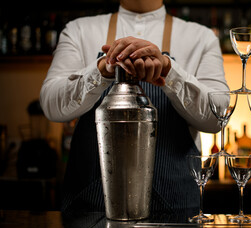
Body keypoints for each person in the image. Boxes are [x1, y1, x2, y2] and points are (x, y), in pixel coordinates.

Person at [40, 0, 229, 215]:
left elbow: (217, 116)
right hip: (89, 212)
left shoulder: (202, 38)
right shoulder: (79, 30)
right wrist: (101, 69)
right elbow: (51, 105)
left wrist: (169, 70)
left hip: (175, 209)